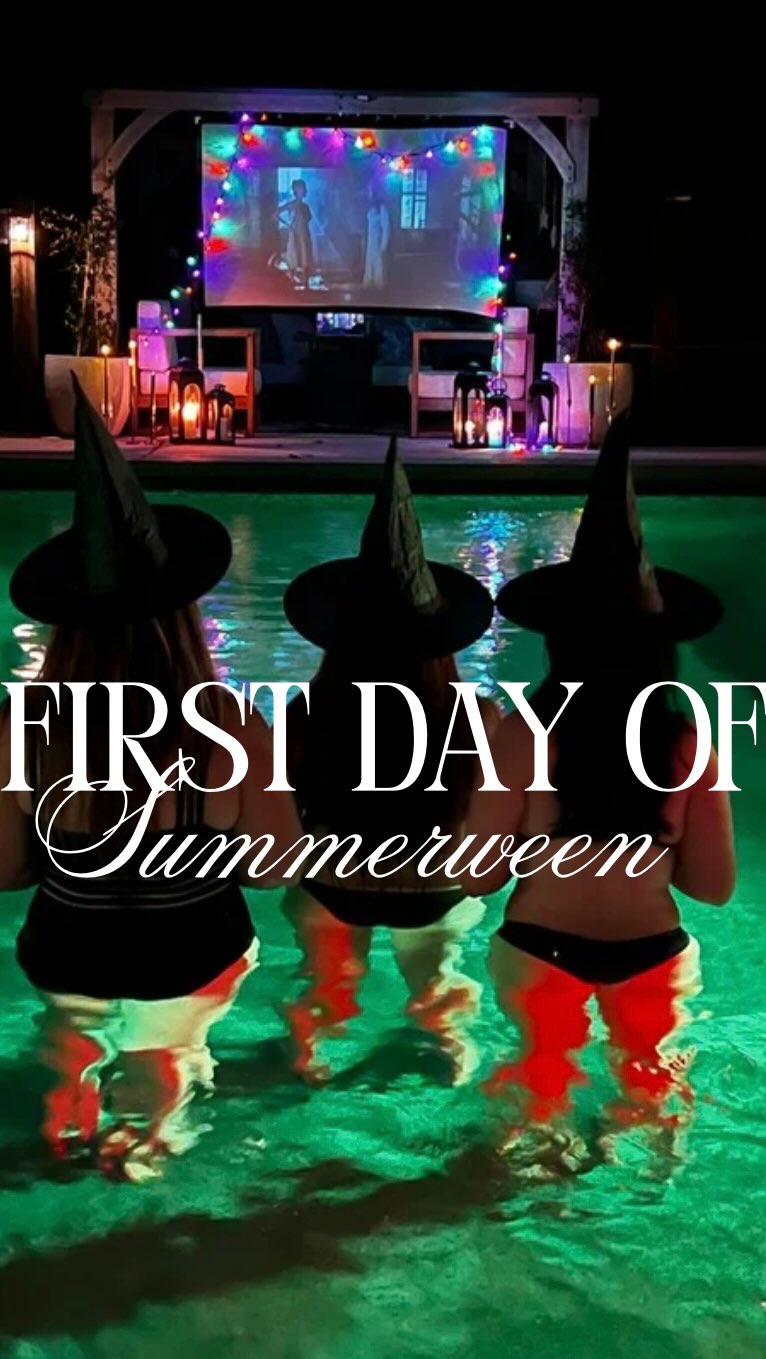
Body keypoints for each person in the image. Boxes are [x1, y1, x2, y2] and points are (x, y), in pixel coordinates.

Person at [0, 378, 302, 1179]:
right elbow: (276, 865)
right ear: (182, 614)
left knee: (66, 1067)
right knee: (168, 1078)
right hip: (191, 957)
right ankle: (146, 1151)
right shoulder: (230, 724)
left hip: (67, 956)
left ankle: (65, 1114)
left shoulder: (24, 726)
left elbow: (5, 871)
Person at [464, 415, 735, 1163]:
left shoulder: (526, 733)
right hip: (651, 952)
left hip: (538, 949)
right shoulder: (686, 742)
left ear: (561, 638)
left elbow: (477, 874)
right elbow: (714, 888)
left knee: (535, 1100)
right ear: (660, 645)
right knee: (652, 1101)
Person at [281, 439, 499, 1084]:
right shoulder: (478, 716)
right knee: (439, 982)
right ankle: (449, 1048)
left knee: (322, 979)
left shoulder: (307, 711)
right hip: (435, 891)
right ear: (440, 642)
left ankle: (309, 1050)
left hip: (333, 885)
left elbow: (284, 827)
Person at [276, 178, 314, 289]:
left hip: (305, 234)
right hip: (295, 233)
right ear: (296, 190)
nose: (303, 191)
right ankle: (292, 280)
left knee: (305, 256)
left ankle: (306, 282)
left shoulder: (305, 207)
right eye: (301, 189)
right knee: (294, 256)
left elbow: (308, 219)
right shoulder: (291, 205)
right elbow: (276, 214)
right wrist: (288, 225)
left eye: (303, 189)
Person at [363, 186, 391, 290]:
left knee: (378, 265)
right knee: (369, 263)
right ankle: (368, 284)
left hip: (378, 242)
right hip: (370, 241)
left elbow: (386, 228)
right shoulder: (371, 209)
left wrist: (383, 246)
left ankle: (379, 286)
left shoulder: (382, 209)